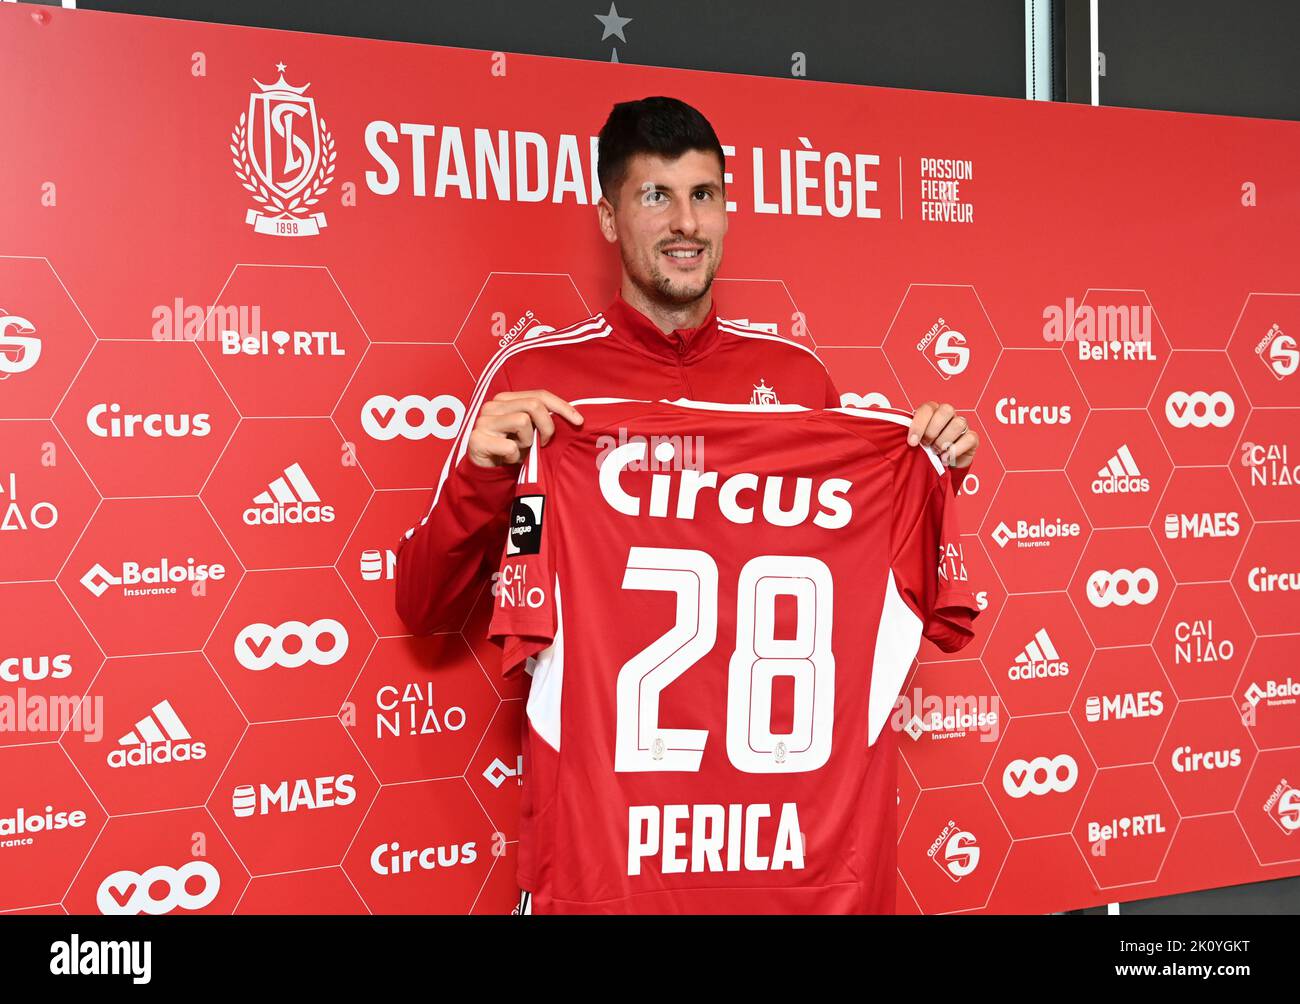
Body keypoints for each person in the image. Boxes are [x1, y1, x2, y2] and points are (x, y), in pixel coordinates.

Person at [395, 95, 978, 638]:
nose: (688, 224)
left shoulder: (797, 375)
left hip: (768, 745)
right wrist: (481, 478)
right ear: (607, 217)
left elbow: (868, 556)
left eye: (703, 195)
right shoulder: (532, 375)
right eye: (656, 196)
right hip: (601, 745)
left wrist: (929, 470)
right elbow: (422, 608)